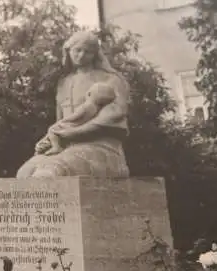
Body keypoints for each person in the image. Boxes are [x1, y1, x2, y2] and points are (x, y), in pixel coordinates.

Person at [16, 31, 131, 178]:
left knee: (49, 173)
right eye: (77, 50)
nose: (81, 56)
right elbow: (61, 122)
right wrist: (49, 140)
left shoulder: (111, 80)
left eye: (87, 52)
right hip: (66, 147)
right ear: (68, 51)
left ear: (95, 54)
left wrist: (68, 134)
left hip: (101, 147)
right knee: (25, 173)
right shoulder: (64, 83)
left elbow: (112, 117)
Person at [43, 81, 117, 156]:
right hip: (80, 125)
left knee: (52, 129)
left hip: (73, 125)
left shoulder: (86, 106)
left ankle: (56, 147)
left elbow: (75, 116)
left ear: (89, 94)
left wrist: (65, 120)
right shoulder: (96, 109)